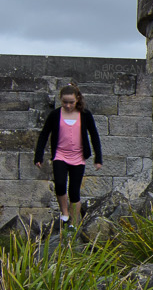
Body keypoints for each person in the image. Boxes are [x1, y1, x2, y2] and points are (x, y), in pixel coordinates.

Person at [34, 83, 103, 230]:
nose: (68, 105)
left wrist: (98, 159)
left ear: (77, 99)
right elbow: (44, 135)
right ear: (60, 100)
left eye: (71, 102)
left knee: (74, 191)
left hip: (78, 157)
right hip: (60, 154)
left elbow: (94, 136)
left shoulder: (85, 114)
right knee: (59, 184)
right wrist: (38, 156)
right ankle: (64, 213)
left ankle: (74, 222)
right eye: (65, 102)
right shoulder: (55, 115)